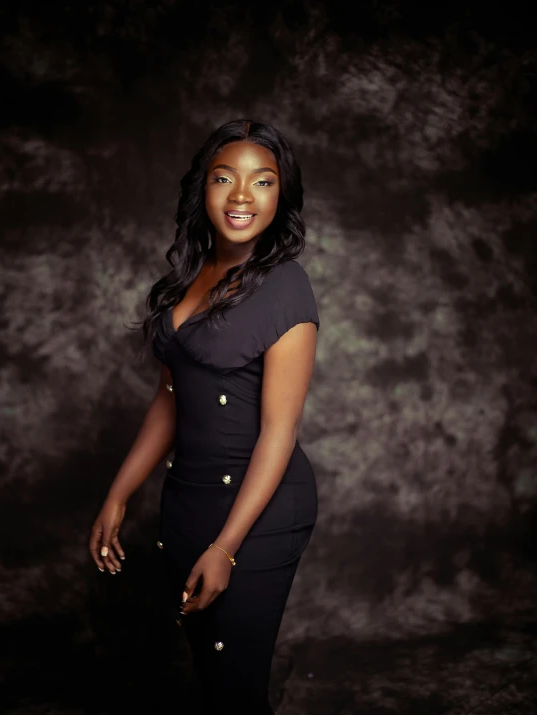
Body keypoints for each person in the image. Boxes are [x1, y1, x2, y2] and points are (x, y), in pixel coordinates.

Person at [89, 119, 320, 714]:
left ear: (281, 196)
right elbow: (169, 398)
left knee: (237, 691)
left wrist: (227, 548)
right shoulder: (189, 277)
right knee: (213, 683)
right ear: (203, 189)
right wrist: (119, 494)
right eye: (225, 178)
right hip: (187, 504)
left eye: (262, 182)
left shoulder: (286, 289)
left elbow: (279, 432)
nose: (242, 196)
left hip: (258, 513)